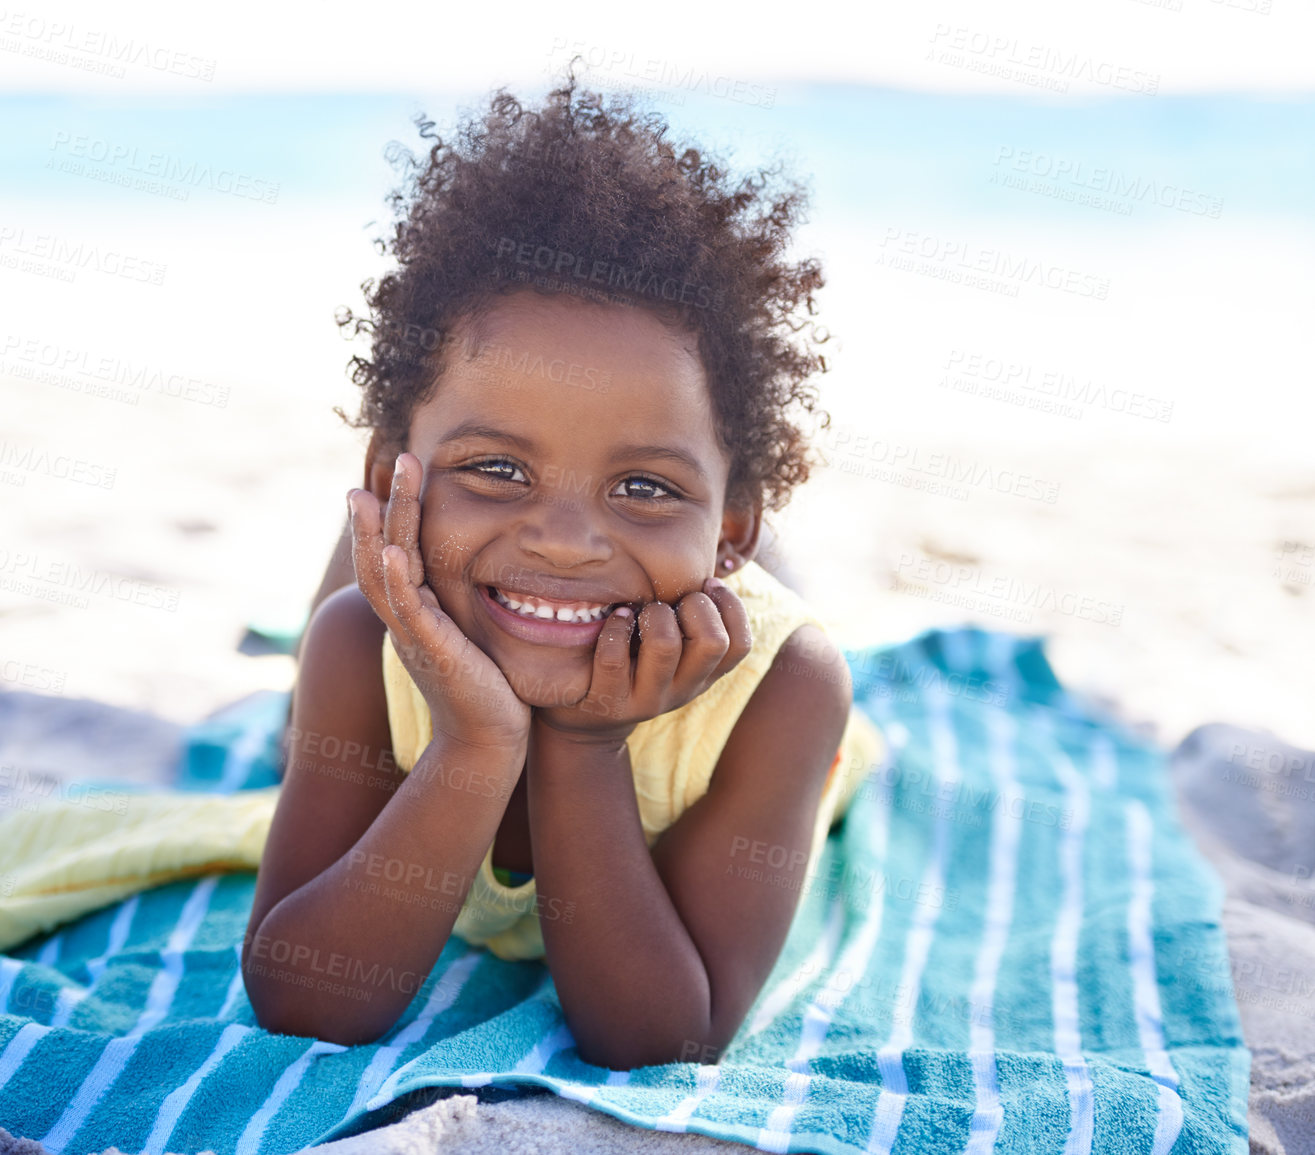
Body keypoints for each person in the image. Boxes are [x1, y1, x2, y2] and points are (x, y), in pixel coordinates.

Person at [241, 70, 884, 1071]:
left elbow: (665, 1035)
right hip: (465, 581)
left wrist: (584, 748)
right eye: (497, 466)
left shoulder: (788, 691)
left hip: (697, 620)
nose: (566, 538)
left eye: (643, 485)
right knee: (325, 679)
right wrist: (471, 742)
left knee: (545, 553)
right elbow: (303, 1001)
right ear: (385, 470)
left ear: (736, 530)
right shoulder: (358, 646)